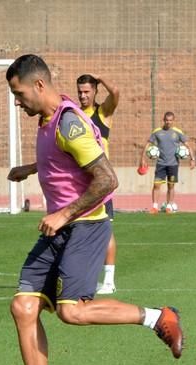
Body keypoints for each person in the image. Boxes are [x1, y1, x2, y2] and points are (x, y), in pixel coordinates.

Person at [0, 54, 184, 365]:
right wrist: (32, 168)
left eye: (19, 93)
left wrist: (64, 213)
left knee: (72, 312)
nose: (16, 102)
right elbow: (63, 159)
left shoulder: (70, 124)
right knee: (23, 306)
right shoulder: (50, 120)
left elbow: (107, 180)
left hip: (85, 226)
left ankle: (158, 317)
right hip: (60, 229)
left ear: (39, 85)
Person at [76, 73, 119, 294]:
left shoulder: (102, 113)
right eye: (80, 92)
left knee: (105, 230)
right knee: (79, 229)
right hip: (80, 183)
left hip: (101, 182)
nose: (83, 95)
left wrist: (101, 78)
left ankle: (109, 281)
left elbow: (116, 93)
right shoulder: (74, 115)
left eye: (87, 91)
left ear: (94, 91)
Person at [140, 112, 195, 214]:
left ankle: (169, 206)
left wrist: (192, 159)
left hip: (173, 164)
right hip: (161, 163)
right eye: (166, 120)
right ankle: (155, 207)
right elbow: (147, 145)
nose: (168, 122)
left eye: (170, 120)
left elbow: (188, 145)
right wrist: (142, 159)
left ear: (173, 120)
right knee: (156, 185)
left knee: (171, 186)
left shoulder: (177, 132)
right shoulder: (157, 132)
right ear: (163, 120)